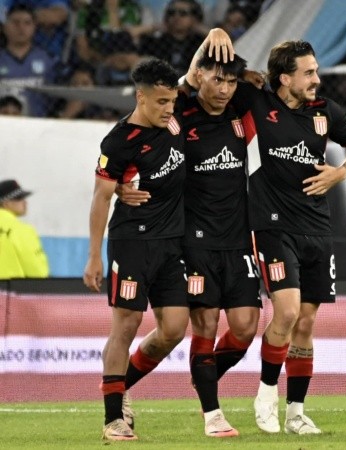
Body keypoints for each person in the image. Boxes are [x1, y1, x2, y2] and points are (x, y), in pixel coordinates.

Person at [190, 38, 346, 435]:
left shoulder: (324, 112)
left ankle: (296, 413)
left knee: (305, 324)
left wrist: (341, 173)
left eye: (316, 71)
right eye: (308, 73)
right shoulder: (256, 100)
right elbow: (198, 81)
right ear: (284, 77)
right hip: (271, 225)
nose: (316, 80)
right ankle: (266, 393)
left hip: (318, 228)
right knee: (286, 313)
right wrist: (216, 39)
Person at [83, 35, 233, 440]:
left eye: (171, 101)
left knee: (173, 328)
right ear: (140, 98)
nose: (170, 109)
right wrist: (94, 256)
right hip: (132, 241)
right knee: (126, 324)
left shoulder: (176, 111)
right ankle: (114, 417)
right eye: (161, 103)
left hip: (172, 244)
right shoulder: (118, 141)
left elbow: (195, 68)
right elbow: (100, 198)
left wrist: (212, 37)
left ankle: (120, 385)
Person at [118, 49, 258, 438]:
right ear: (199, 77)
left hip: (238, 242)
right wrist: (115, 182)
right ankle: (212, 415)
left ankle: (200, 375)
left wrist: (251, 76)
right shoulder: (179, 116)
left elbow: (262, 87)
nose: (225, 89)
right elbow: (133, 130)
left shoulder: (239, 114)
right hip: (193, 241)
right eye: (217, 79)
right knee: (205, 324)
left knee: (246, 327)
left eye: (231, 82)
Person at [0, 3, 56, 117]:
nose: (21, 28)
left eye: (27, 23)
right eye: (15, 23)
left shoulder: (48, 60)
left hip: (38, 125)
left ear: (34, 27)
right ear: (4, 27)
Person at [0, 178, 49, 279]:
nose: (25, 202)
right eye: (19, 198)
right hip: (10, 291)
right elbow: (38, 272)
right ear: (5, 203)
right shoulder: (22, 230)